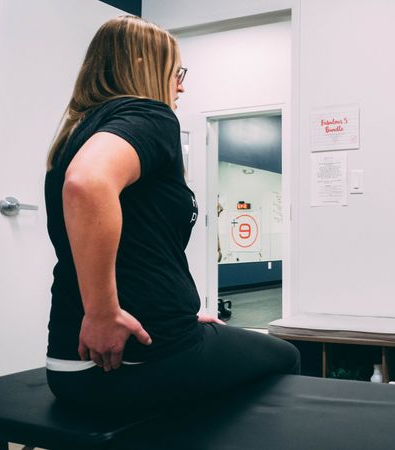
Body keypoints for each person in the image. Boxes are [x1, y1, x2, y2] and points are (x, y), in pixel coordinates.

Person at [44, 16, 299, 410]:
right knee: (287, 356)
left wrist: (174, 310)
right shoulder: (150, 115)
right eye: (175, 71)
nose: (181, 84)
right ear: (145, 67)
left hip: (67, 365)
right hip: (139, 359)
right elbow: (87, 184)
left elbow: (136, 244)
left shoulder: (76, 134)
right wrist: (102, 314)